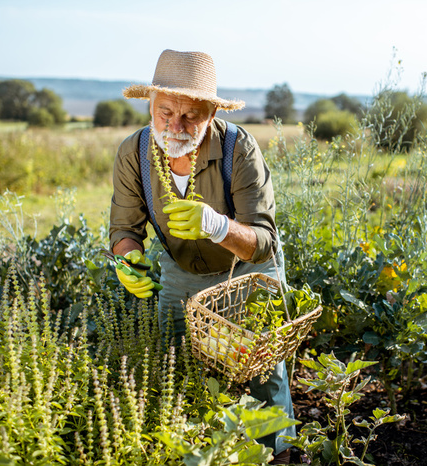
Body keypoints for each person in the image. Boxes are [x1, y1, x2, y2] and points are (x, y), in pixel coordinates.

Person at [108, 49, 293, 464]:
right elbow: (124, 230)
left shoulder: (237, 148)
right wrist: (127, 261)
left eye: (190, 115)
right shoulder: (134, 153)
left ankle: (275, 455)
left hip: (246, 271)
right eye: (165, 112)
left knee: (261, 371)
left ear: (211, 113)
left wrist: (216, 225)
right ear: (150, 106)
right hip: (182, 272)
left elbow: (263, 239)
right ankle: (201, 453)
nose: (175, 126)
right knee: (181, 366)